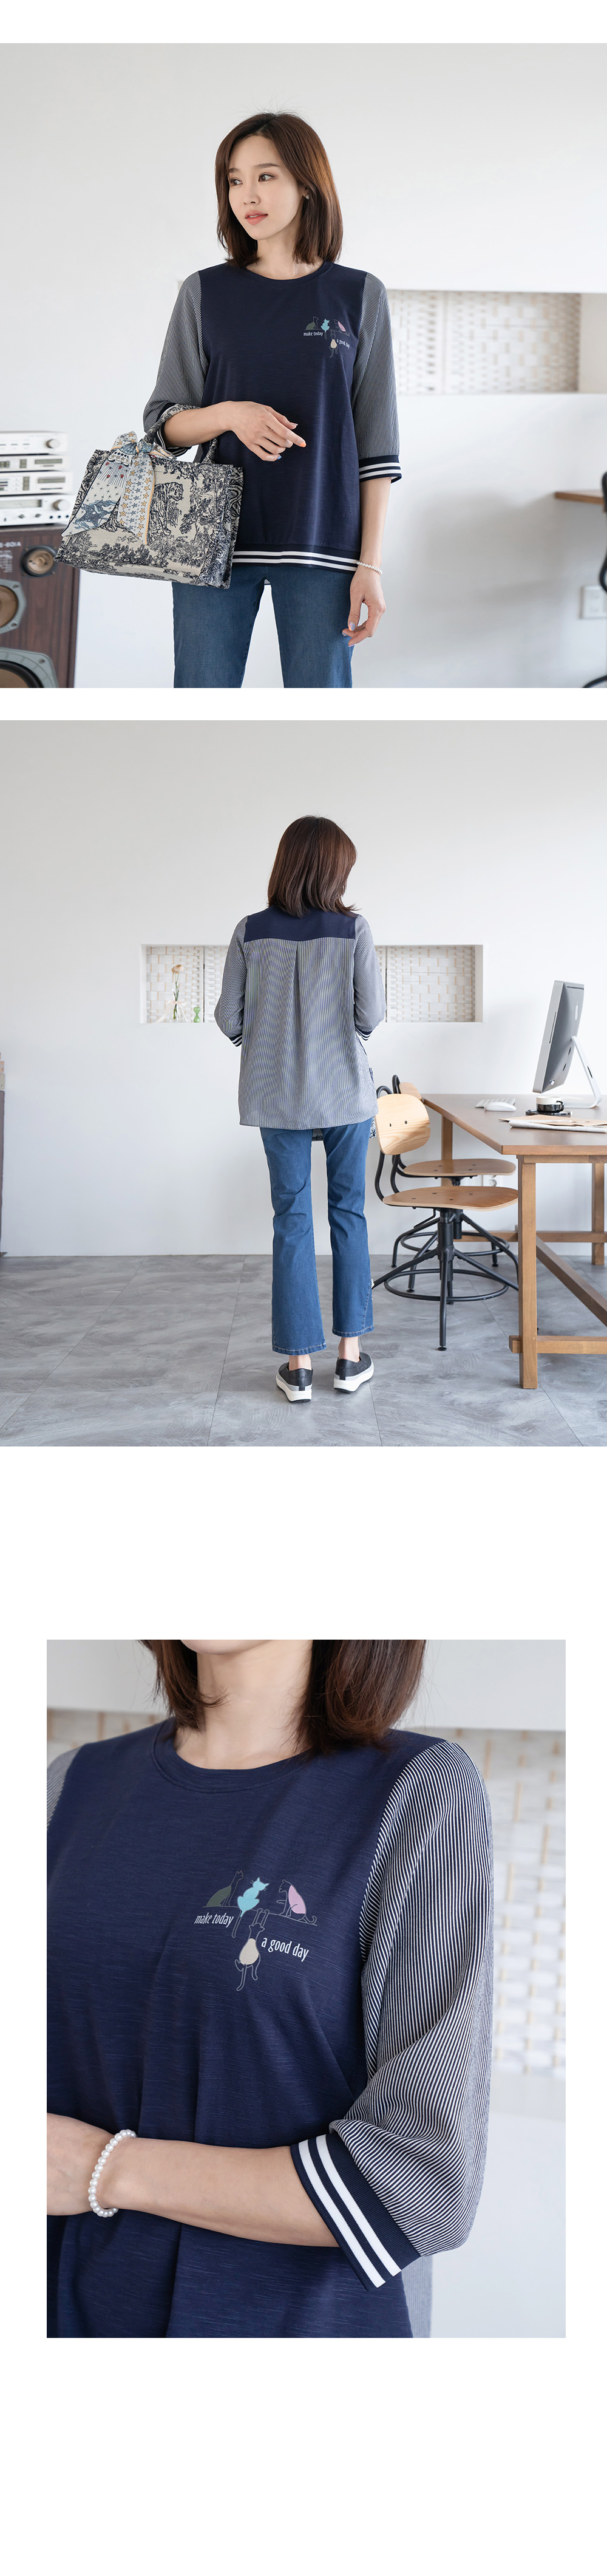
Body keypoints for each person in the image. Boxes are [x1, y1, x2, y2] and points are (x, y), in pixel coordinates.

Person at [47, 1637, 493, 2341]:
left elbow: (421, 2185)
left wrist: (105, 2170)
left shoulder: (417, 1790)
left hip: (294, 2327)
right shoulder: (73, 1783)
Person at [143, 111, 401, 689]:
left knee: (319, 709)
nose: (247, 195)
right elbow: (164, 427)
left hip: (323, 542)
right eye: (234, 180)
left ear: (307, 184)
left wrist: (371, 563)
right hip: (211, 542)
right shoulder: (205, 292)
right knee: (201, 703)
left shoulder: (359, 295)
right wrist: (230, 414)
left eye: (266, 176)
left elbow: (378, 446)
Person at [215, 813, 385, 1403]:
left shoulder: (249, 929)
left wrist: (266, 1039)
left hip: (276, 1094)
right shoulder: (353, 929)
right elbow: (369, 1016)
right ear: (334, 869)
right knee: (348, 1214)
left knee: (291, 1219)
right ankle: (350, 1358)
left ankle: (298, 1366)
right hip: (345, 1093)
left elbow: (228, 1018)